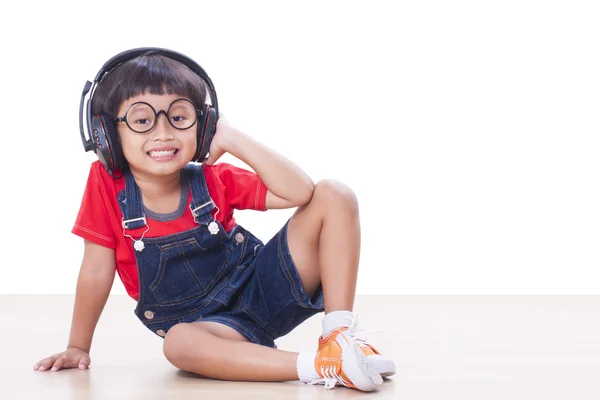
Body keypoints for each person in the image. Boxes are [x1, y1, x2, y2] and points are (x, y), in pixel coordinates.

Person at [33, 48, 395, 392]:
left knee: (334, 193)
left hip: (265, 290)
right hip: (211, 329)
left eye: (179, 117)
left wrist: (233, 138)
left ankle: (339, 337)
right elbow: (96, 269)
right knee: (178, 344)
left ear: (202, 126)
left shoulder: (211, 178)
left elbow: (299, 192)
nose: (163, 132)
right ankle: (323, 365)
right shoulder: (106, 186)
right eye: (142, 120)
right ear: (106, 135)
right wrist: (78, 345)